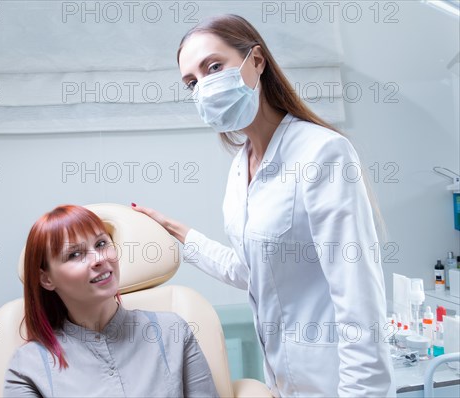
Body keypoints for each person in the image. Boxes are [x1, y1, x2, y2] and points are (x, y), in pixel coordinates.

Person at [132, 14, 395, 397]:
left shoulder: (321, 153)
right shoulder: (241, 167)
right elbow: (254, 270)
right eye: (192, 82)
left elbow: (359, 302)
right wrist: (179, 234)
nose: (204, 87)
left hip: (338, 384)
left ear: (256, 61)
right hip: (284, 383)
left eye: (214, 67)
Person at [3, 205, 219, 397]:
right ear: (46, 278)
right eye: (74, 255)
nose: (99, 259)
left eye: (101, 243)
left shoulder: (172, 332)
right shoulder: (27, 366)